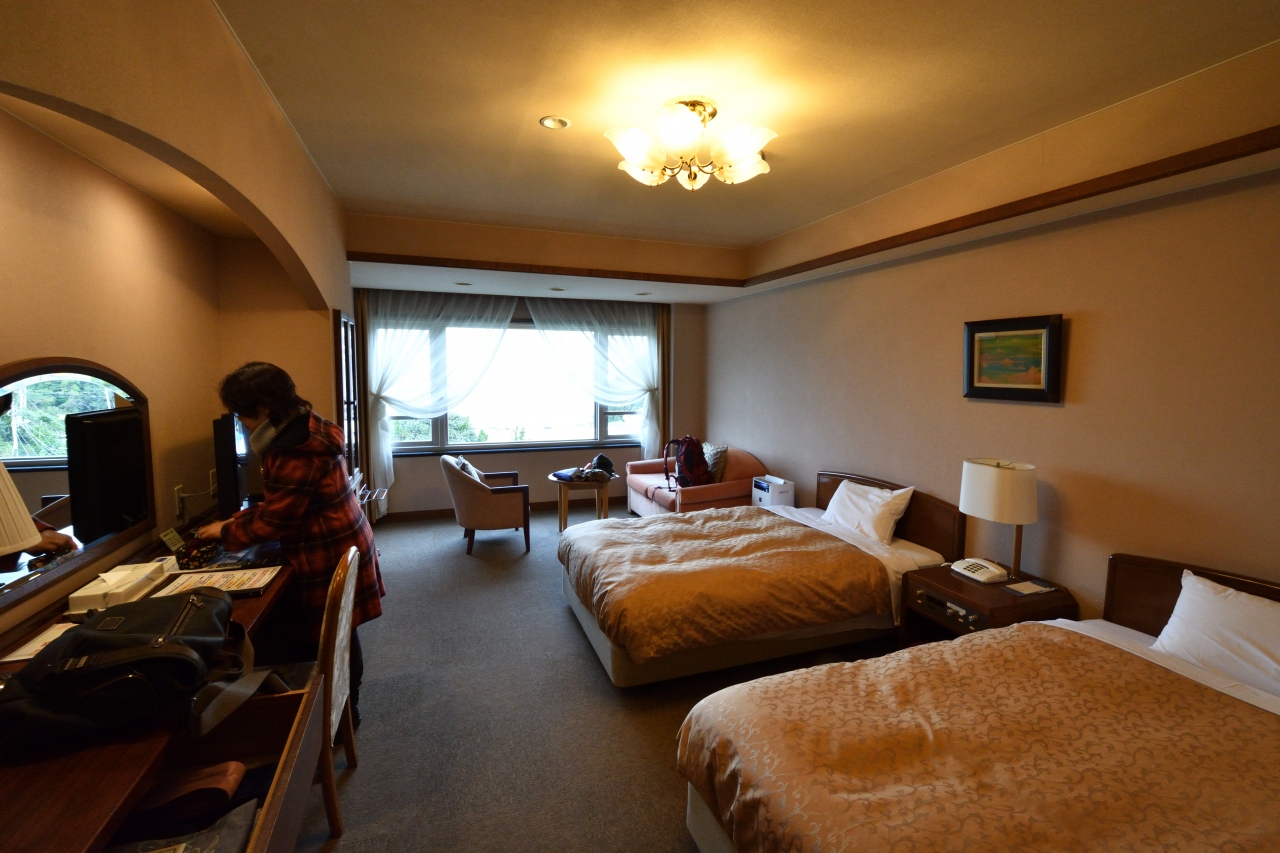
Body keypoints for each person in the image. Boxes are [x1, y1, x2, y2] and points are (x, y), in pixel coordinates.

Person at [197, 362, 384, 723]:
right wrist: (237, 521)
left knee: (328, 636)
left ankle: (342, 712)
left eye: (242, 414)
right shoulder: (309, 425)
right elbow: (289, 500)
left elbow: (279, 519)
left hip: (326, 548)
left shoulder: (293, 449)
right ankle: (344, 709)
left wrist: (224, 533)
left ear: (264, 408)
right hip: (343, 537)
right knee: (339, 632)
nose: (242, 423)